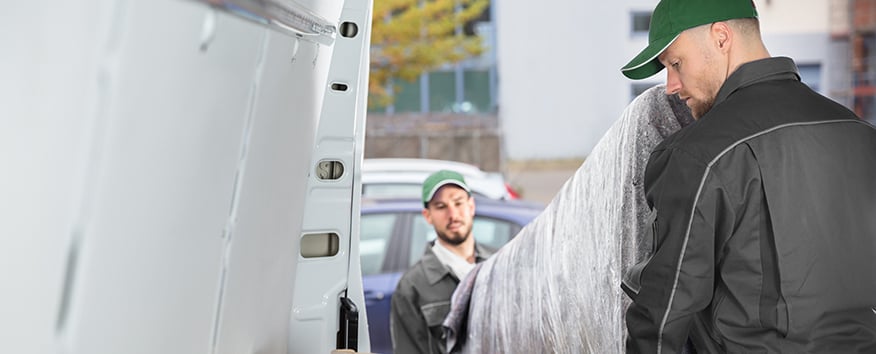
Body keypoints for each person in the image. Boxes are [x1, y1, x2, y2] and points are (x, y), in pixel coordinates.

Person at [619, 0, 876, 353]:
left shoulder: (696, 155)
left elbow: (661, 317)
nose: (670, 86)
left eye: (676, 64)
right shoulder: (860, 134)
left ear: (721, 37)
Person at [390, 170, 493, 354]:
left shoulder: (497, 266)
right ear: (428, 215)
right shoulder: (412, 287)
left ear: (471, 206)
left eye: (458, 202)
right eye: (441, 206)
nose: (453, 214)